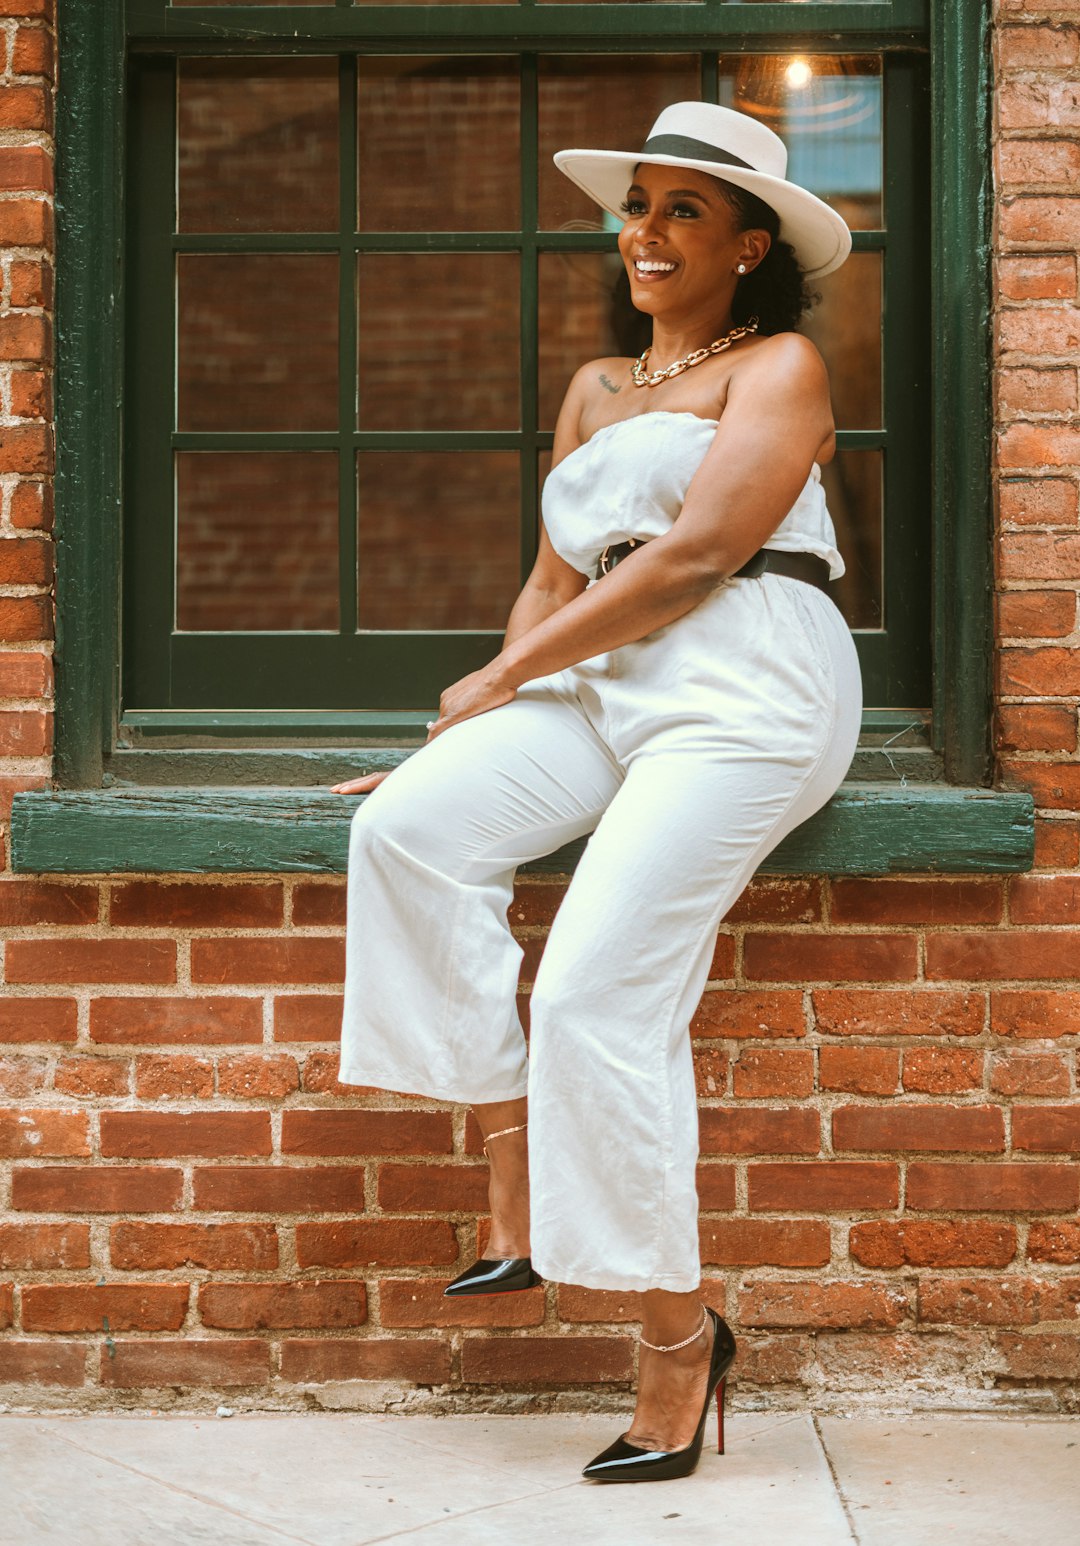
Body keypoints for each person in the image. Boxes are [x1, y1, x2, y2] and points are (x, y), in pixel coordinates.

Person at [330, 100, 862, 1483]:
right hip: (607, 685)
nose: (647, 231)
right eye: (638, 205)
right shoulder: (592, 386)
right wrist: (478, 715)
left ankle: (678, 1342)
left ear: (750, 245)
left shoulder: (784, 366)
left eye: (684, 209)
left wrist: (486, 685)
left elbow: (691, 562)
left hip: (747, 682)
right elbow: (557, 582)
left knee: (590, 995)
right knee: (407, 827)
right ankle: (510, 1165)